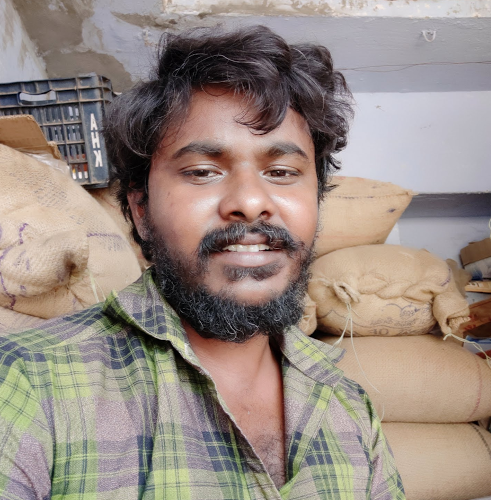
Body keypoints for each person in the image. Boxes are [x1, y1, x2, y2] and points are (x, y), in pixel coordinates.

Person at [0, 25, 405, 499]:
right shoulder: (30, 380)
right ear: (141, 210)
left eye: (281, 172)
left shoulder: (348, 406)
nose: (250, 203)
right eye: (202, 172)